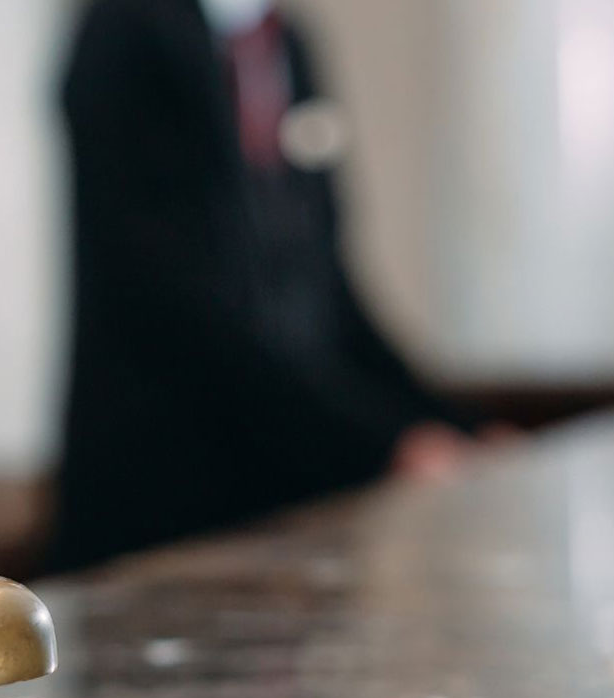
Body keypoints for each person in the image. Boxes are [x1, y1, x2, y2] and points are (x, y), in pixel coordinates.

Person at [52, 0, 491, 571]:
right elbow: (184, 309)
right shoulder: (127, 34)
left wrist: (450, 426)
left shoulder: (286, 43)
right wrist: (384, 443)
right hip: (171, 509)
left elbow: (328, 295)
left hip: (293, 502)